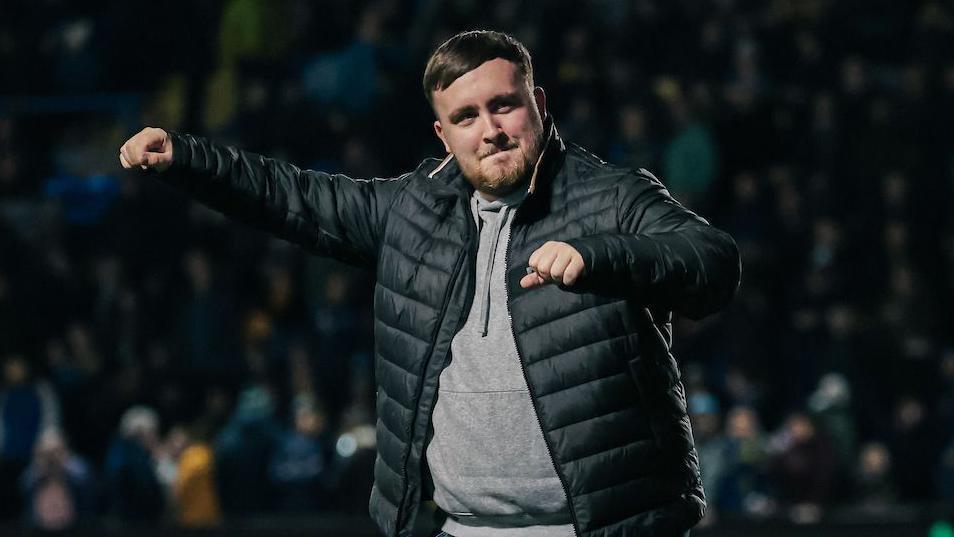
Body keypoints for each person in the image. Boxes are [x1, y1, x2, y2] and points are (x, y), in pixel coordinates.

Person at [119, 30, 741, 537]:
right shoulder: (413, 211)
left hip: (602, 530)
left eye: (504, 105)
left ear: (540, 105)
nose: (490, 129)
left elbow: (711, 262)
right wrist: (187, 158)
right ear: (443, 135)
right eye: (466, 116)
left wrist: (602, 256)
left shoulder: (612, 197)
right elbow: (296, 198)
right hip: (459, 529)